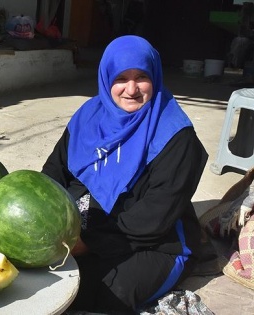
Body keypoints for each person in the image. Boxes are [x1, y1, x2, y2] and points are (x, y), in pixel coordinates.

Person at [41, 35, 208, 313]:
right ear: (107, 79)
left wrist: (88, 243)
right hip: (87, 227)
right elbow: (53, 172)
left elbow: (155, 216)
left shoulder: (177, 136)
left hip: (155, 242)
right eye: (121, 79)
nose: (131, 89)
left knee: (106, 293)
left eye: (141, 77)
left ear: (155, 75)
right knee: (45, 283)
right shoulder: (88, 116)